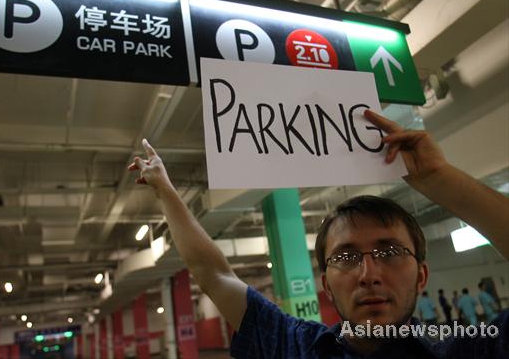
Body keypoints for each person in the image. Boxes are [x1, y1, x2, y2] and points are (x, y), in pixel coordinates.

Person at [128, 109, 509, 358]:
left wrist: (440, 179)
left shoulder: (467, 351)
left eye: (389, 251)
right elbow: (214, 275)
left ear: (421, 275)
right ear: (325, 284)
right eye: (346, 257)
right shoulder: (293, 347)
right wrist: (164, 188)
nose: (369, 274)